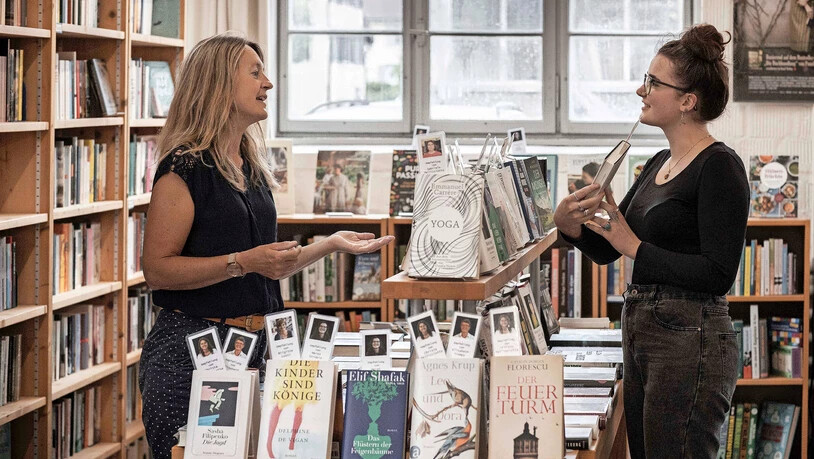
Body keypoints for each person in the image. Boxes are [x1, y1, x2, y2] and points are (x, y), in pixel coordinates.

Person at [138, 33, 393, 459]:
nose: (268, 83)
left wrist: (329, 245)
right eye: (254, 72)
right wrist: (241, 262)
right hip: (193, 355)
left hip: (259, 350)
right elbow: (158, 270)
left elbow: (267, 266)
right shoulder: (183, 169)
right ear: (218, 84)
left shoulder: (251, 166)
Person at [552, 24, 747, 458]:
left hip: (690, 341)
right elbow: (607, 250)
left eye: (653, 83)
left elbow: (717, 274)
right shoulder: (657, 161)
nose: (642, 90)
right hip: (642, 331)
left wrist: (635, 247)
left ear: (687, 101)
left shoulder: (720, 167)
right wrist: (570, 226)